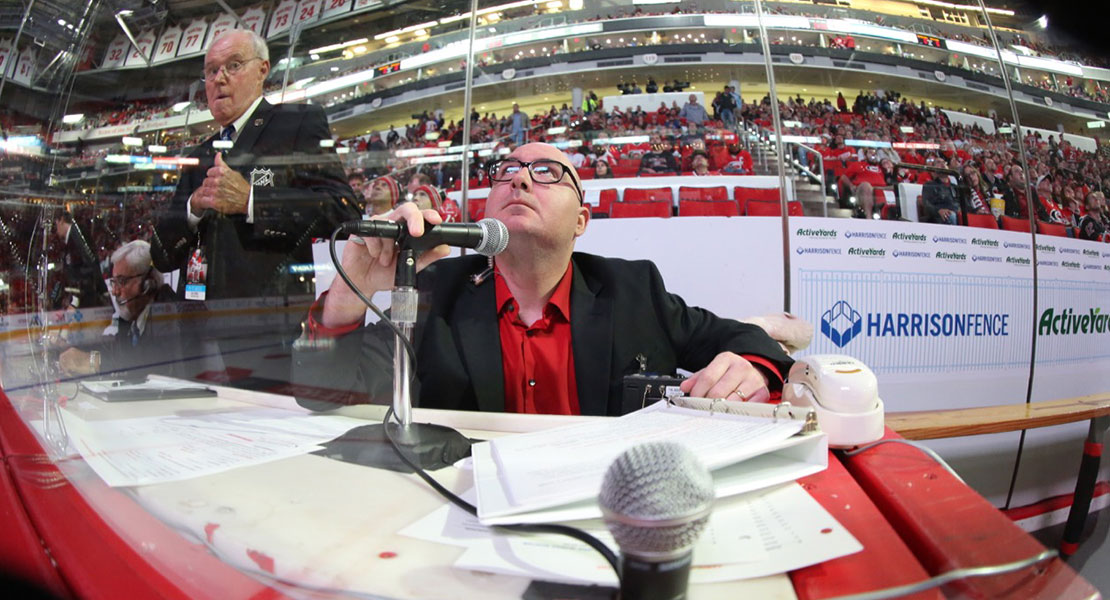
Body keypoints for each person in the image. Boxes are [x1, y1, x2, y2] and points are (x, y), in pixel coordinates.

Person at [293, 143, 792, 415]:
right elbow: (320, 394)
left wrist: (752, 367)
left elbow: (749, 343)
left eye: (547, 173)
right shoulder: (434, 291)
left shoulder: (634, 290)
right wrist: (346, 294)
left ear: (581, 220)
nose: (520, 178)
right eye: (507, 169)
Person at [153, 30, 359, 301]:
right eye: (211, 71)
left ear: (262, 70)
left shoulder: (297, 124)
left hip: (264, 322)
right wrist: (192, 210)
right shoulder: (198, 156)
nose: (220, 78)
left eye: (234, 65)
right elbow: (161, 257)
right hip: (194, 325)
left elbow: (343, 212)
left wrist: (250, 200)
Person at [58, 241, 197, 378]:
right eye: (114, 282)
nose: (114, 291)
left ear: (148, 284)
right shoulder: (130, 317)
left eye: (122, 281)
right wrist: (76, 350)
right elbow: (116, 351)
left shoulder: (166, 312)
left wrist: (93, 361)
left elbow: (151, 364)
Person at [52, 212, 107, 310]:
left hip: (86, 298)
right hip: (82, 296)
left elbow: (85, 268)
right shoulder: (73, 237)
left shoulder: (76, 235)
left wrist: (75, 301)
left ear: (61, 221)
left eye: (56, 225)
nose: (56, 231)